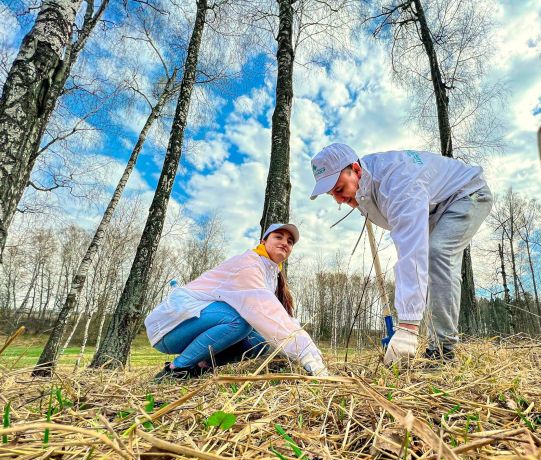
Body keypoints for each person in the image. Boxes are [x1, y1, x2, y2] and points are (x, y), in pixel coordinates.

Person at [309, 143, 492, 366]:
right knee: (431, 256)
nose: (338, 200)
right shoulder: (364, 187)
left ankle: (443, 351)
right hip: (433, 209)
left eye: (339, 190)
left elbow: (411, 251)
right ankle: (437, 346)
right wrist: (357, 200)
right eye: (332, 195)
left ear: (356, 169)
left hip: (466, 194)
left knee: (437, 253)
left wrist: (408, 326)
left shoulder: (399, 183)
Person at [145, 223, 329, 380]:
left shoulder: (270, 274)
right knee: (240, 321)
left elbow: (278, 317)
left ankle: (200, 365)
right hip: (168, 330)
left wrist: (309, 352)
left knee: (262, 340)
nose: (284, 243)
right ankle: (176, 369)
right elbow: (265, 310)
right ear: (263, 241)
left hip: (193, 327)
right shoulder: (249, 264)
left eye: (290, 242)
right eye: (278, 237)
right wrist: (304, 352)